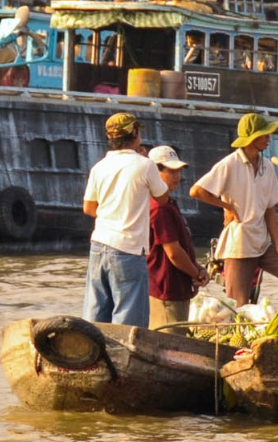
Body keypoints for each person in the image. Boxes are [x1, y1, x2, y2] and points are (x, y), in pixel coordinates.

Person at [191, 111, 278, 305]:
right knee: (239, 303)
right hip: (239, 245)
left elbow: (270, 208)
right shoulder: (229, 164)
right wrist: (226, 206)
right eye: (264, 135)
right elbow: (197, 191)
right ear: (251, 138)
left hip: (262, 242)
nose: (268, 139)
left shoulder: (267, 166)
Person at [82, 112, 168, 328]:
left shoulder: (99, 166)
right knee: (129, 322)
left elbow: (89, 208)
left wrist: (114, 214)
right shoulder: (145, 165)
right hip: (127, 249)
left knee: (95, 317)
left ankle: (91, 359)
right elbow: (163, 197)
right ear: (134, 133)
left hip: (99, 245)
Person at [145, 145, 207, 327]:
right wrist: (197, 274)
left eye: (178, 171)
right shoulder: (159, 207)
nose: (177, 176)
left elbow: (181, 247)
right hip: (166, 290)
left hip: (176, 287)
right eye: (171, 171)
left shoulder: (167, 203)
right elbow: (173, 252)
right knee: (168, 345)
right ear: (154, 173)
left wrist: (197, 269)